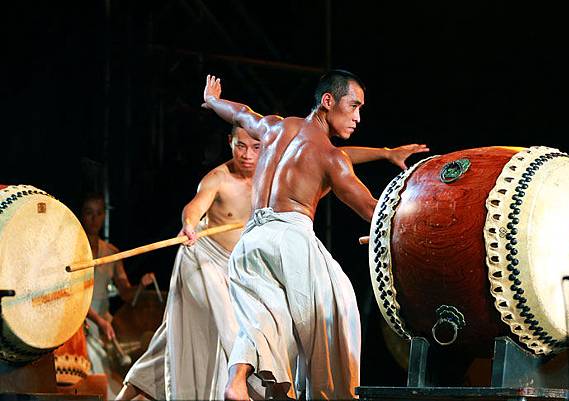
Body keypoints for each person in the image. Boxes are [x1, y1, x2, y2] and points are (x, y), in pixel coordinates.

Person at [115, 123, 427, 400]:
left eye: (255, 147)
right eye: (240, 146)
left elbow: (335, 155)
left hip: (240, 268)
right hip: (203, 259)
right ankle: (239, 387)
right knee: (232, 328)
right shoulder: (220, 177)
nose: (247, 154)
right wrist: (189, 224)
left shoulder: (272, 174)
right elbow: (195, 206)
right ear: (230, 143)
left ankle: (129, 392)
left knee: (177, 339)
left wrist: (385, 153)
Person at [201, 70, 428, 400]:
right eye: (354, 106)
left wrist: (212, 101)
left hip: (250, 242)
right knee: (337, 311)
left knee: (267, 318)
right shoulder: (331, 158)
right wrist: (418, 227)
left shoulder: (274, 127)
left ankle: (237, 380)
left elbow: (239, 113)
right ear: (328, 101)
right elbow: (371, 209)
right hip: (291, 241)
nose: (358, 117)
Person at [79, 192, 155, 399]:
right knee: (95, 364)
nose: (94, 219)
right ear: (82, 215)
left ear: (104, 215)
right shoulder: (74, 249)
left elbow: (126, 293)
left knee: (120, 368)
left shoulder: (112, 252)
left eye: (99, 213)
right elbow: (73, 296)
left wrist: (141, 286)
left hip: (104, 323)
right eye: (89, 213)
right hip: (80, 319)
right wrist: (98, 321)